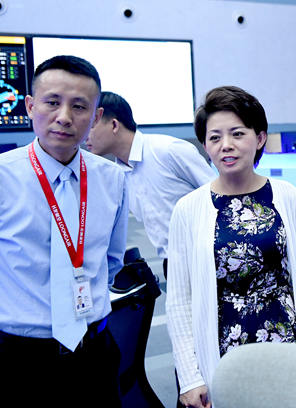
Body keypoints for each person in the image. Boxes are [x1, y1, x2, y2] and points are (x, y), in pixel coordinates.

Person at [166, 86, 296, 408]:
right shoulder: (188, 209)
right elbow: (180, 300)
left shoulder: (286, 195)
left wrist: (272, 293)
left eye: (237, 134)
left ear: (260, 138)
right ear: (205, 146)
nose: (226, 145)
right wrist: (190, 377)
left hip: (286, 342)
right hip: (224, 350)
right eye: (214, 137)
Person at [0, 55, 128, 405]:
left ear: (96, 117)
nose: (64, 117)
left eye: (79, 106)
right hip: (18, 357)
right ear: (30, 106)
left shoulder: (112, 179)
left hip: (94, 353)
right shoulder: (4, 176)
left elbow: (112, 260)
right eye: (52, 102)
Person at [86, 91, 214, 278]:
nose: (84, 135)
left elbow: (220, 195)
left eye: (90, 126)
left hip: (208, 258)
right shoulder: (117, 175)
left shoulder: (168, 150)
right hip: (171, 264)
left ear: (114, 125)